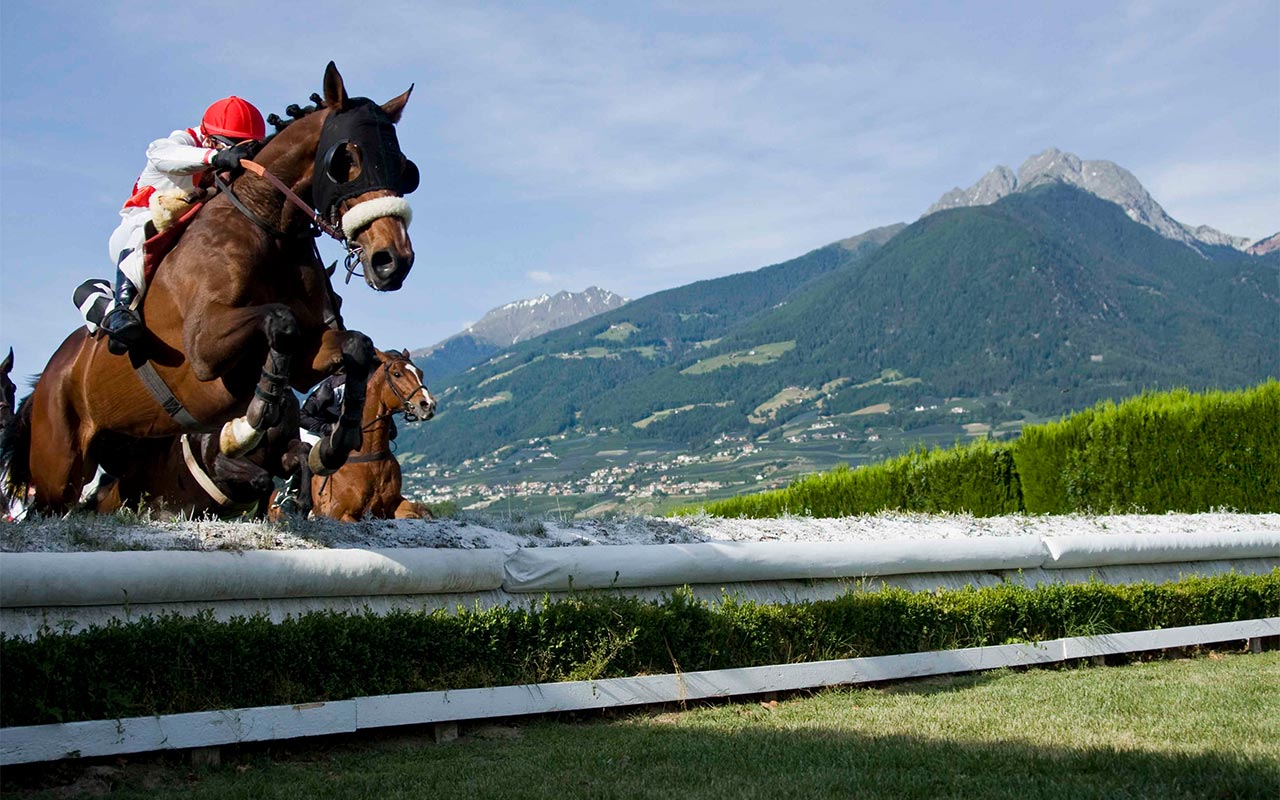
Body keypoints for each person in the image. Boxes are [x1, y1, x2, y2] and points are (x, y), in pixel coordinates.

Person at [100, 96, 267, 355]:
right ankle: (122, 309)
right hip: (140, 229)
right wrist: (217, 157)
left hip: (187, 232)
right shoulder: (181, 143)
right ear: (210, 138)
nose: (235, 156)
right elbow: (158, 153)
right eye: (230, 146)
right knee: (145, 225)